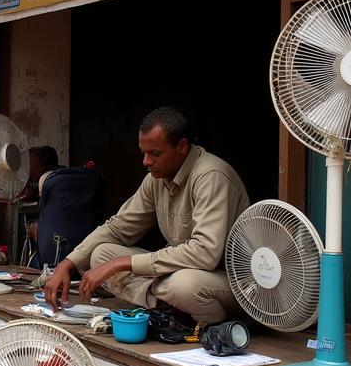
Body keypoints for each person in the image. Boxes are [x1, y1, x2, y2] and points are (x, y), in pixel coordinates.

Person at [44, 107, 249, 325]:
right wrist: (66, 264)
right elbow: (117, 227)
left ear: (182, 146)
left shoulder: (211, 176)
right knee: (100, 255)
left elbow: (205, 254)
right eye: (143, 153)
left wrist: (123, 264)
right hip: (176, 271)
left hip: (227, 282)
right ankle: (166, 306)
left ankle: (214, 323)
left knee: (182, 285)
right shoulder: (156, 179)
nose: (146, 161)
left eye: (155, 153)